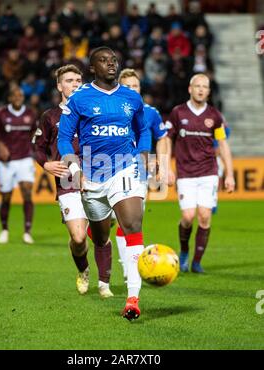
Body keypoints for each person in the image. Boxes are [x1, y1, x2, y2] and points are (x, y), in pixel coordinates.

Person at [57, 47, 150, 321]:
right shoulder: (79, 99)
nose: (111, 64)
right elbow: (64, 138)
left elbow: (143, 129)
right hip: (91, 176)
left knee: (132, 225)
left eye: (114, 60)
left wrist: (143, 154)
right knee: (100, 237)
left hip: (125, 168)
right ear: (92, 68)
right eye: (104, 61)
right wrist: (74, 168)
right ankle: (96, 242)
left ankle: (133, 298)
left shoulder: (132, 97)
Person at [33, 64, 113, 298]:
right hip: (68, 182)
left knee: (102, 236)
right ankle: (83, 270)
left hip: (98, 179)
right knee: (78, 239)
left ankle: (105, 284)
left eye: (78, 80)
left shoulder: (94, 111)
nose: (75, 84)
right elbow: (37, 147)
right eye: (69, 80)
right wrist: (46, 164)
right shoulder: (50, 117)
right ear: (59, 86)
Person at [165, 73, 235, 273]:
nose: (201, 89)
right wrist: (167, 166)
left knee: (204, 216)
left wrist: (229, 174)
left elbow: (222, 145)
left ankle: (196, 261)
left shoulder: (214, 116)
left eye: (205, 86)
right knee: (187, 217)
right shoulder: (178, 113)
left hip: (208, 172)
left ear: (209, 92)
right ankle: (185, 251)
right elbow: (167, 139)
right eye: (198, 86)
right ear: (190, 88)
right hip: (185, 172)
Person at [115, 68, 167, 280]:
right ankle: (129, 268)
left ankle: (128, 268)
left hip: (139, 172)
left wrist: (162, 165)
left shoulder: (151, 112)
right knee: (112, 220)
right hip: (112, 168)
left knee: (130, 221)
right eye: (127, 86)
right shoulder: (112, 111)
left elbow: (162, 137)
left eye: (135, 86)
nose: (132, 89)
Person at [0, 87, 37, 244]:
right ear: (9, 98)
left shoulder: (30, 114)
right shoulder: (1, 113)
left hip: (25, 159)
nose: (18, 98)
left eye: (21, 95)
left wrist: (36, 149)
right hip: (6, 162)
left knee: (27, 192)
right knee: (6, 196)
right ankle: (4, 229)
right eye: (15, 95)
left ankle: (27, 232)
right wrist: (0, 146)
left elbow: (36, 133)